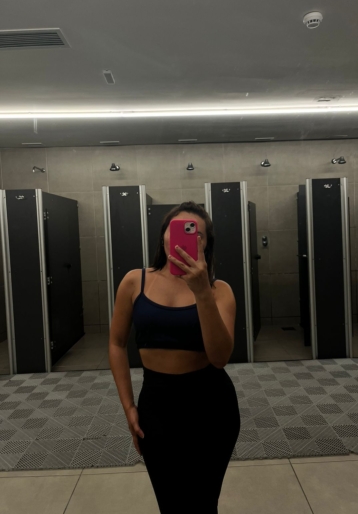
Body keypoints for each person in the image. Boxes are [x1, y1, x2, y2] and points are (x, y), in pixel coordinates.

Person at [109, 201, 241, 514]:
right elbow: (116, 343)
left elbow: (220, 358)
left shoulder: (219, 291)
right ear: (164, 235)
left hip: (211, 406)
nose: (186, 236)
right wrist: (128, 406)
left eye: (197, 233)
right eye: (177, 228)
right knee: (170, 504)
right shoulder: (134, 281)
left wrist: (201, 292)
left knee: (203, 504)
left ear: (206, 244)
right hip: (156, 404)